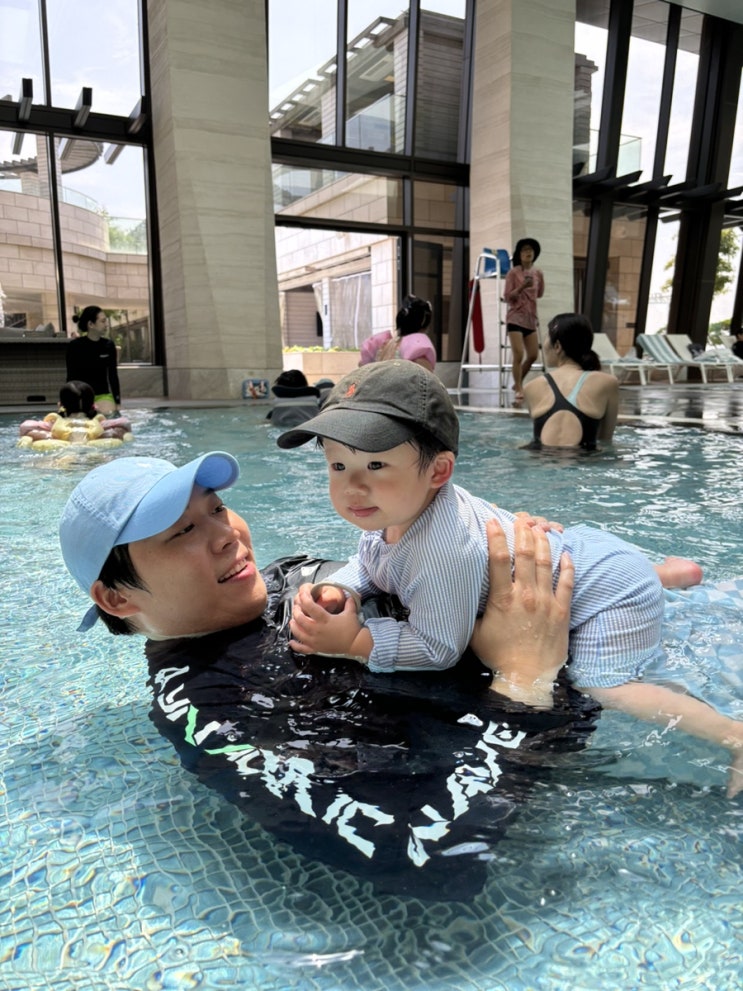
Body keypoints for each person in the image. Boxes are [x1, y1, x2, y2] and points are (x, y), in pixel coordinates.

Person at [57, 452, 592, 898]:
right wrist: (524, 683)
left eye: (217, 508)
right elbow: (420, 854)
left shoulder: (298, 577)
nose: (226, 535)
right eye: (183, 532)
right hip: (560, 814)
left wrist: (501, 544)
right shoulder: (208, 709)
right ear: (117, 598)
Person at [279, 362, 742, 796]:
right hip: (589, 554)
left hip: (611, 593)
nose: (353, 487)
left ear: (438, 470)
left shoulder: (442, 552)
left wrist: (356, 641)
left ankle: (733, 734)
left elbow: (438, 648)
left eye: (376, 466)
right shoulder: (396, 508)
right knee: (572, 560)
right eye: (338, 466)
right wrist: (343, 586)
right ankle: (665, 574)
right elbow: (372, 562)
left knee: (602, 684)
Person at [523, 313, 619, 450]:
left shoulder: (531, 387)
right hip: (585, 461)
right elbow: (605, 440)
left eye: (546, 338)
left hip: (540, 459)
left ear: (557, 346)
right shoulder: (607, 383)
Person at [17, 380, 132, 448]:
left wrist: (48, 428)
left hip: (61, 445)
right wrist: (105, 425)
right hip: (93, 445)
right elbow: (125, 423)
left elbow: (25, 426)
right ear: (94, 405)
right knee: (119, 431)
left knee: (31, 434)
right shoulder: (98, 422)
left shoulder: (54, 422)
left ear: (60, 405)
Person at [504, 237, 544, 402]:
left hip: (530, 318)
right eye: (525, 250)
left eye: (531, 250)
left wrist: (538, 282)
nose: (528, 252)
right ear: (519, 254)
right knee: (518, 354)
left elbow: (540, 294)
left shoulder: (538, 273)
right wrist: (522, 287)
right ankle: (519, 387)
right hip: (515, 317)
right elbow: (508, 297)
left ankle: (517, 382)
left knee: (533, 355)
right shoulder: (513, 273)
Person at [66, 306, 121, 414]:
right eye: (103, 321)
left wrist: (117, 402)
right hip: (81, 396)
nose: (106, 324)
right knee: (79, 418)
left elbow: (113, 376)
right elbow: (71, 377)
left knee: (108, 415)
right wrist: (67, 400)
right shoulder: (75, 346)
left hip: (102, 396)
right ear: (91, 324)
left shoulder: (108, 345)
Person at [359, 294, 436, 370]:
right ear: (424, 326)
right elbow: (425, 377)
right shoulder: (417, 352)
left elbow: (362, 366)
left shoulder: (384, 345)